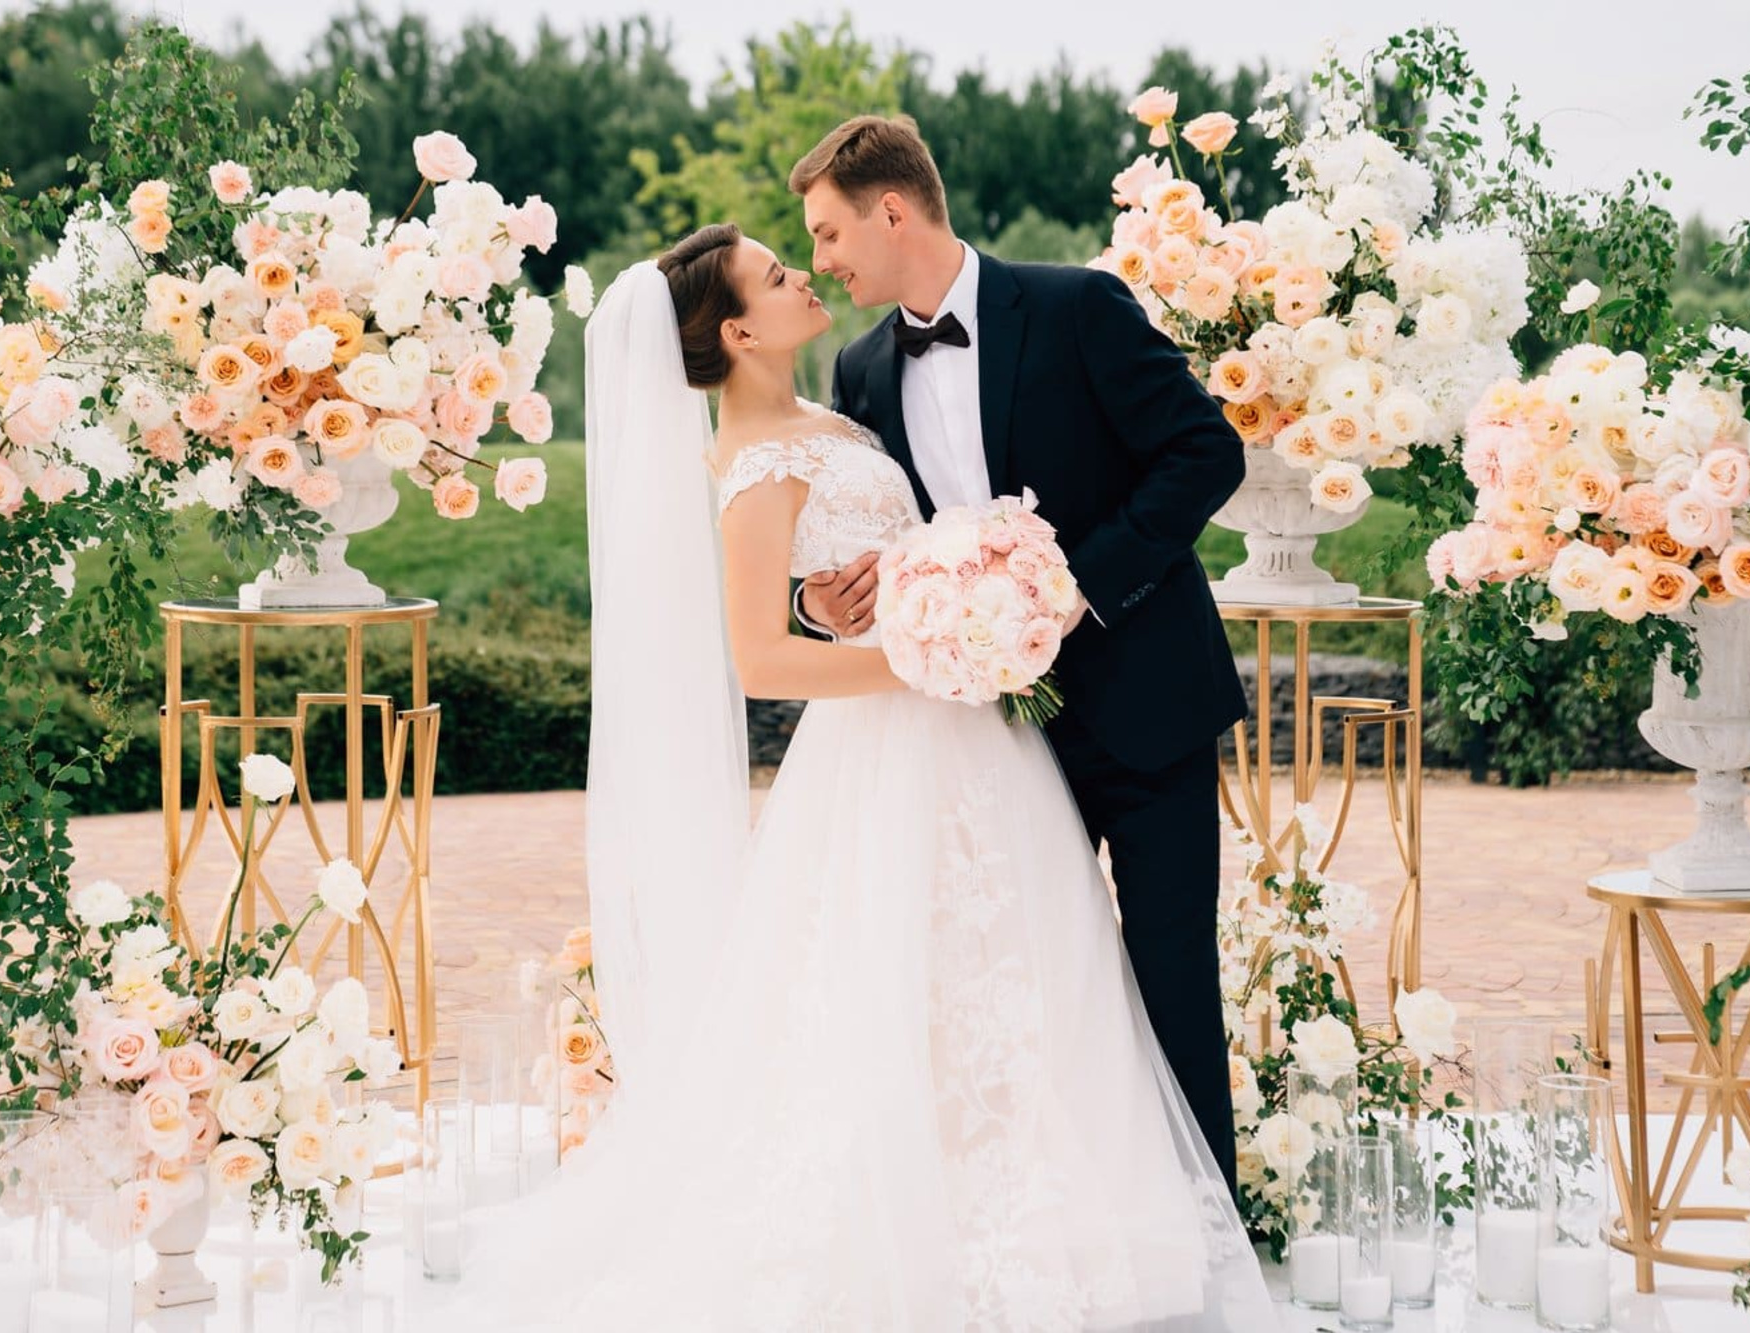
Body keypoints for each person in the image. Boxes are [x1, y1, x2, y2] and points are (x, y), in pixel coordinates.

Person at [449, 218, 1277, 1331]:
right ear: (737, 329)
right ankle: (915, 1224)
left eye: (810, 248)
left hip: (985, 737)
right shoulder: (749, 463)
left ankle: (1066, 1201)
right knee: (894, 982)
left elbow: (874, 556)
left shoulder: (838, 404)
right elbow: (757, 661)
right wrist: (926, 651)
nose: (807, 273)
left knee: (1025, 970)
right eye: (780, 273)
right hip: (894, 739)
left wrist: (891, 601)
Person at [793, 115, 1247, 1187]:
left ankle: (1206, 1232)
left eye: (825, 233)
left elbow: (1202, 452)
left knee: (1168, 972)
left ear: (891, 210)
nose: (820, 260)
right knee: (1030, 985)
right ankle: (1068, 1224)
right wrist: (822, 602)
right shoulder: (860, 370)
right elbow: (859, 544)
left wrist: (1069, 587)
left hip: (1144, 705)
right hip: (991, 740)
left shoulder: (1074, 305)